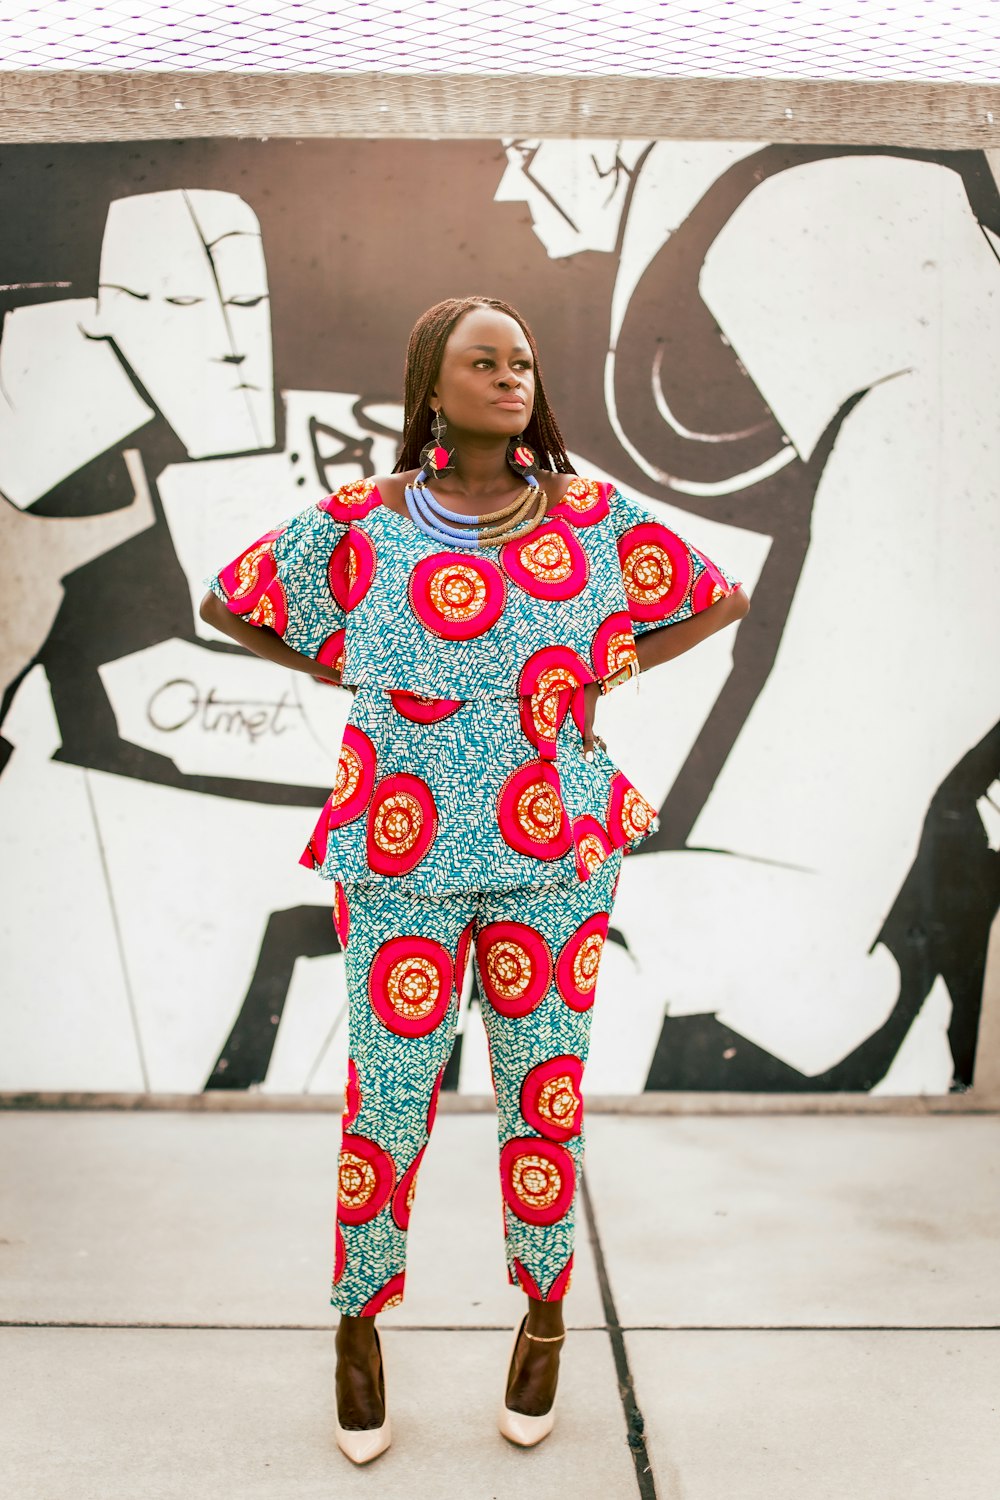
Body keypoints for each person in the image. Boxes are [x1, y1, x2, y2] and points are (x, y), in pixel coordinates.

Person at [199, 294, 750, 1464]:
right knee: (389, 1103)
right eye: (482, 361)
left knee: (540, 1093)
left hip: (553, 854)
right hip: (399, 853)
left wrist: (605, 663)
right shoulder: (361, 519)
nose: (510, 376)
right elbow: (230, 599)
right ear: (431, 387)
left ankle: (545, 1315)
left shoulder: (588, 514)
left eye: (522, 361)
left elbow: (715, 596)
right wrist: (351, 666)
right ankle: (358, 1324)